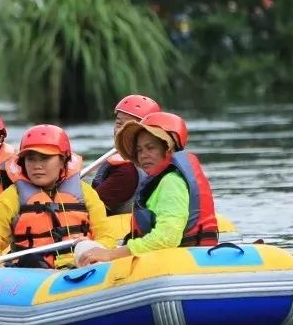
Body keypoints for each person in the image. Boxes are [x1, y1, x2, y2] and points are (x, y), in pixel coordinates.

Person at [78, 112, 219, 266]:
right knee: (84, 248)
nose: (143, 155)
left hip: (182, 264)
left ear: (168, 149)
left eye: (150, 148)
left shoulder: (171, 182)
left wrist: (112, 254)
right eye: (139, 150)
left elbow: (167, 238)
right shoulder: (160, 181)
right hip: (174, 260)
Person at [0, 124, 117, 270]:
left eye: (45, 158)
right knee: (30, 260)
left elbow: (106, 236)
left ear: (62, 161)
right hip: (33, 271)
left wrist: (96, 250)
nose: (37, 166)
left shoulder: (85, 192)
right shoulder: (10, 197)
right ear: (23, 162)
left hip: (81, 265)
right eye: (31, 159)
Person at [92, 95, 161, 215]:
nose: (120, 131)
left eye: (130, 127)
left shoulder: (126, 172)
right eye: (119, 124)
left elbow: (85, 210)